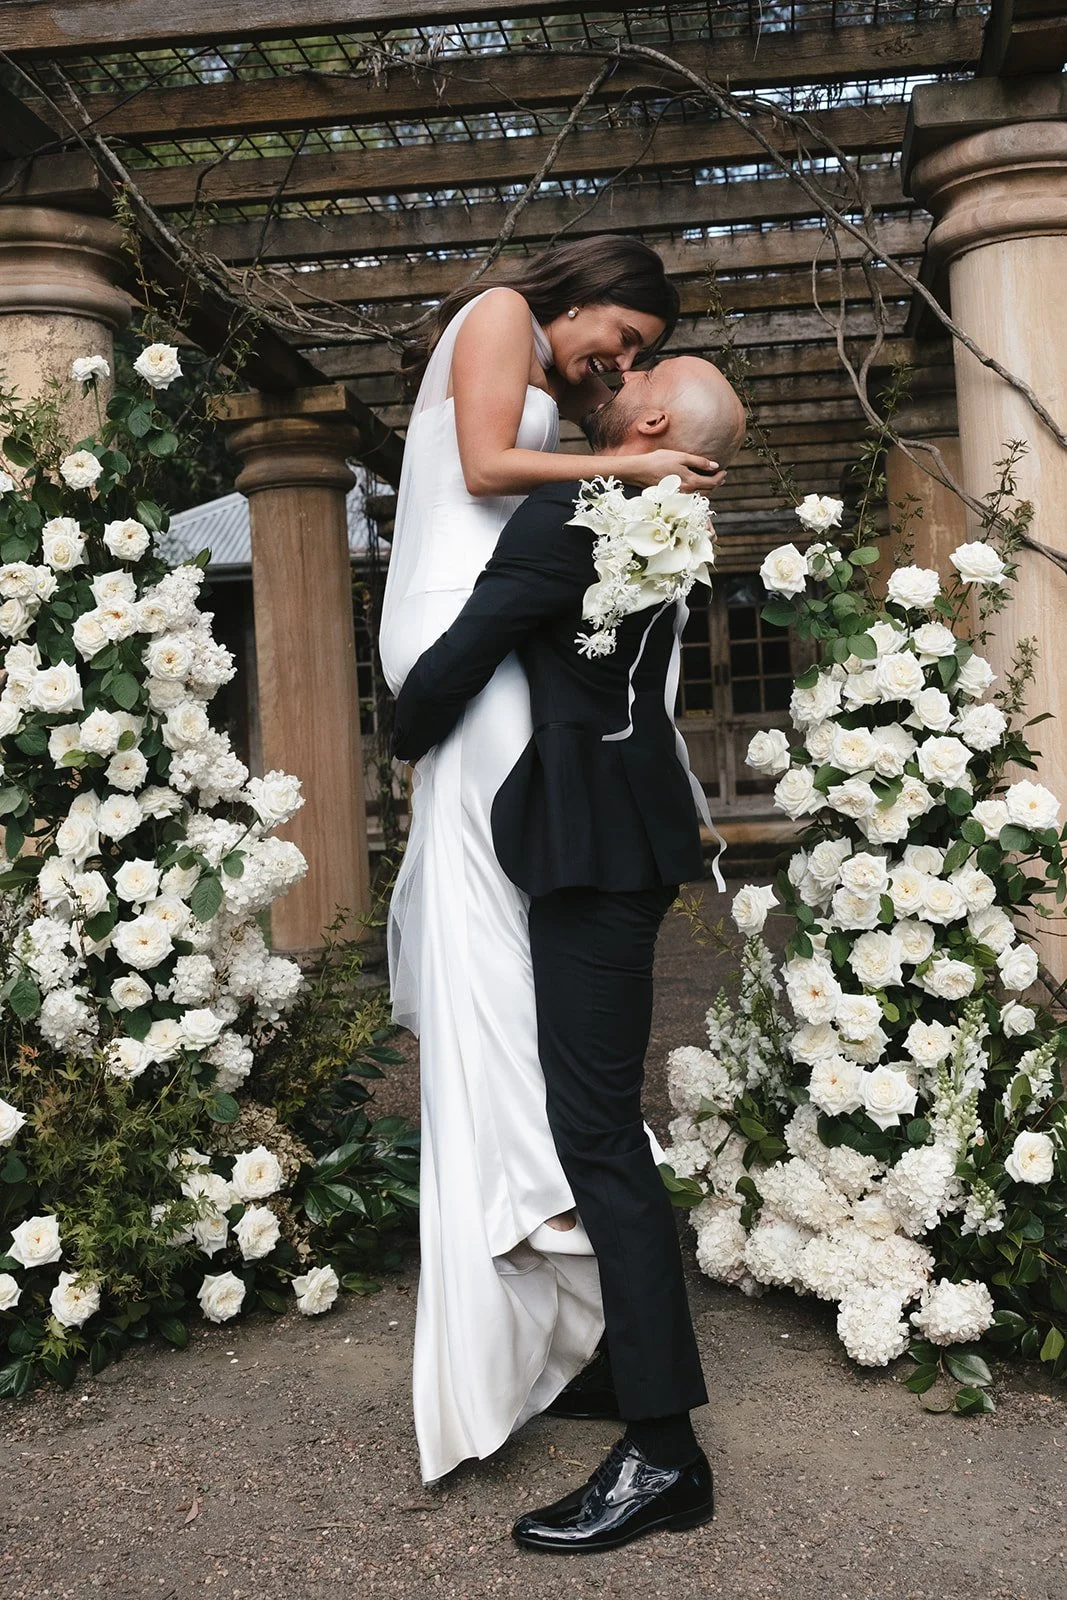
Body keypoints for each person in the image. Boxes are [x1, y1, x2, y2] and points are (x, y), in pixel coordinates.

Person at [379, 237, 725, 1487]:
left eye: (634, 359)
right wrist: (619, 457)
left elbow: (500, 598)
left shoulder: (577, 512)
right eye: (617, 335)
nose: (615, 361)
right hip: (505, 701)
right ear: (570, 295)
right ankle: (593, 1339)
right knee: (549, 1064)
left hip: (509, 718)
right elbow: (476, 462)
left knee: (548, 1069)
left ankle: (629, 1398)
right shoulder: (499, 325)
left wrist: (609, 462)